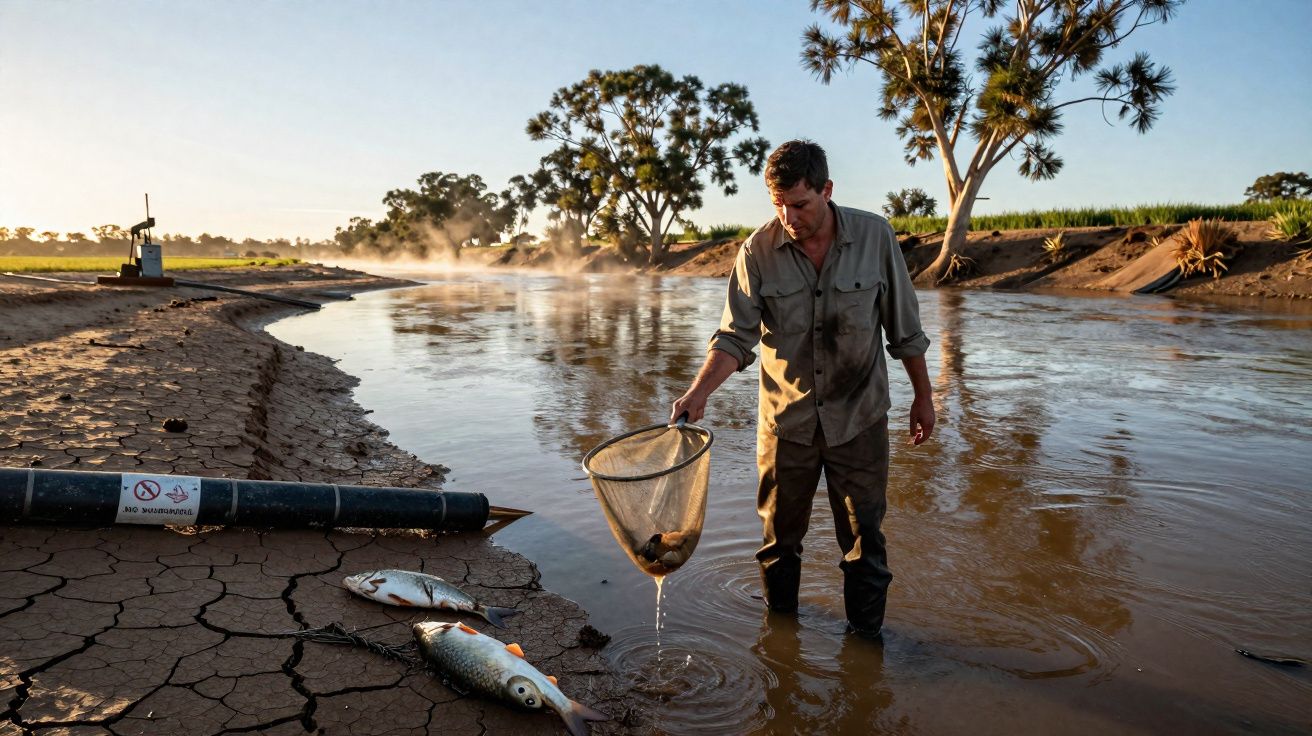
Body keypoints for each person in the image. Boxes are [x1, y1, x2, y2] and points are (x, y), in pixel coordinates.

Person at [669, 139, 934, 638]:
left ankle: (865, 644)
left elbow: (905, 330)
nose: (789, 217)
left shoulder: (875, 237)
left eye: (800, 204)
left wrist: (923, 396)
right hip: (785, 423)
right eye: (778, 204)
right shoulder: (758, 251)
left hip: (859, 418)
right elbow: (734, 337)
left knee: (864, 543)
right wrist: (698, 391)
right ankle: (781, 642)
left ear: (827, 190)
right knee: (778, 543)